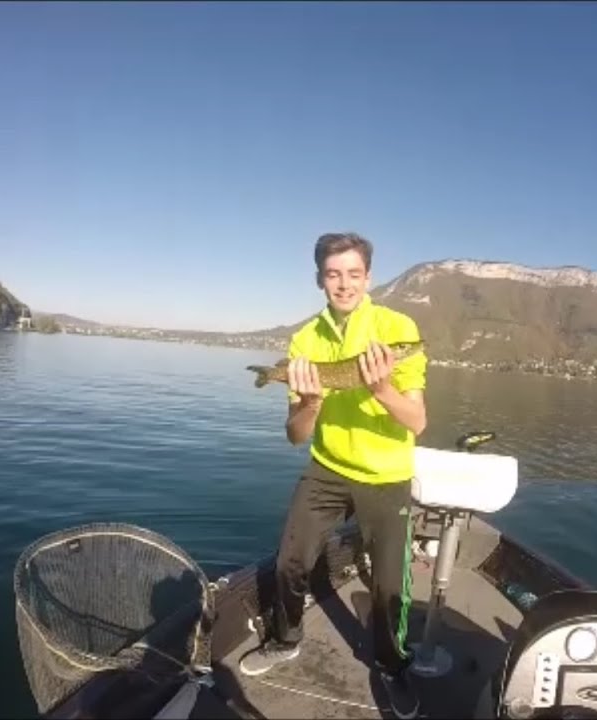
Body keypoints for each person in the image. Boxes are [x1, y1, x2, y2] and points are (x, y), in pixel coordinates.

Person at [238, 232, 428, 719]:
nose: (344, 284)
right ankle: (285, 640)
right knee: (289, 561)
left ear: (369, 277)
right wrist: (311, 401)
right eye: (333, 274)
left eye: (354, 273)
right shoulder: (305, 340)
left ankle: (392, 667)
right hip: (327, 468)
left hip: (387, 475)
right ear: (320, 278)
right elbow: (296, 436)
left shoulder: (397, 329)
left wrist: (382, 387)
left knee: (390, 587)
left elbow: (417, 422)